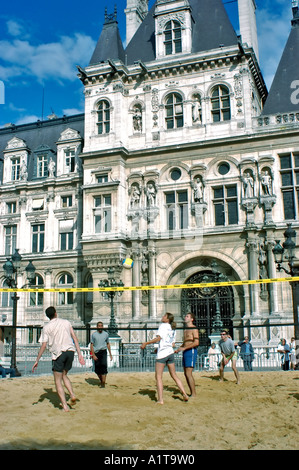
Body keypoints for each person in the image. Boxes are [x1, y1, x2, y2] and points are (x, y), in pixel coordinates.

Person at [32, 306, 85, 412]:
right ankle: (72, 394)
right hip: (70, 351)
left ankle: (65, 405)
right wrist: (80, 354)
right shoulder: (66, 322)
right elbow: (74, 337)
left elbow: (43, 345)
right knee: (64, 375)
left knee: (57, 380)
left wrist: (37, 360)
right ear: (56, 313)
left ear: (48, 316)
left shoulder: (46, 327)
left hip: (58, 353)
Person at [141, 312, 189, 404]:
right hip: (170, 353)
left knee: (158, 377)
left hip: (162, 354)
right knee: (174, 375)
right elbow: (172, 343)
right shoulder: (172, 328)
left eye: (164, 316)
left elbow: (158, 339)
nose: (162, 317)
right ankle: (184, 394)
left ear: (167, 319)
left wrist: (146, 343)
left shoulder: (163, 326)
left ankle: (160, 399)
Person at [174, 312, 199, 397]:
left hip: (191, 351)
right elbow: (185, 342)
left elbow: (196, 342)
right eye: (185, 316)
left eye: (187, 316)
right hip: (185, 351)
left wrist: (184, 348)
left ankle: (194, 393)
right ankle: (191, 392)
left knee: (188, 373)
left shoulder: (194, 329)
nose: (185, 317)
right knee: (185, 373)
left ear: (192, 319)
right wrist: (178, 349)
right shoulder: (185, 330)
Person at [90, 321, 113, 388]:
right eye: (99, 326)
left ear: (102, 327)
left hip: (103, 351)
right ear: (97, 327)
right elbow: (91, 345)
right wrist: (93, 354)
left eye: (101, 326)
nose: (100, 327)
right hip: (96, 352)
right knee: (97, 369)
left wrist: (110, 354)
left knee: (104, 367)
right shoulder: (93, 335)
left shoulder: (106, 334)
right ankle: (101, 380)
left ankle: (103, 383)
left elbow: (108, 344)